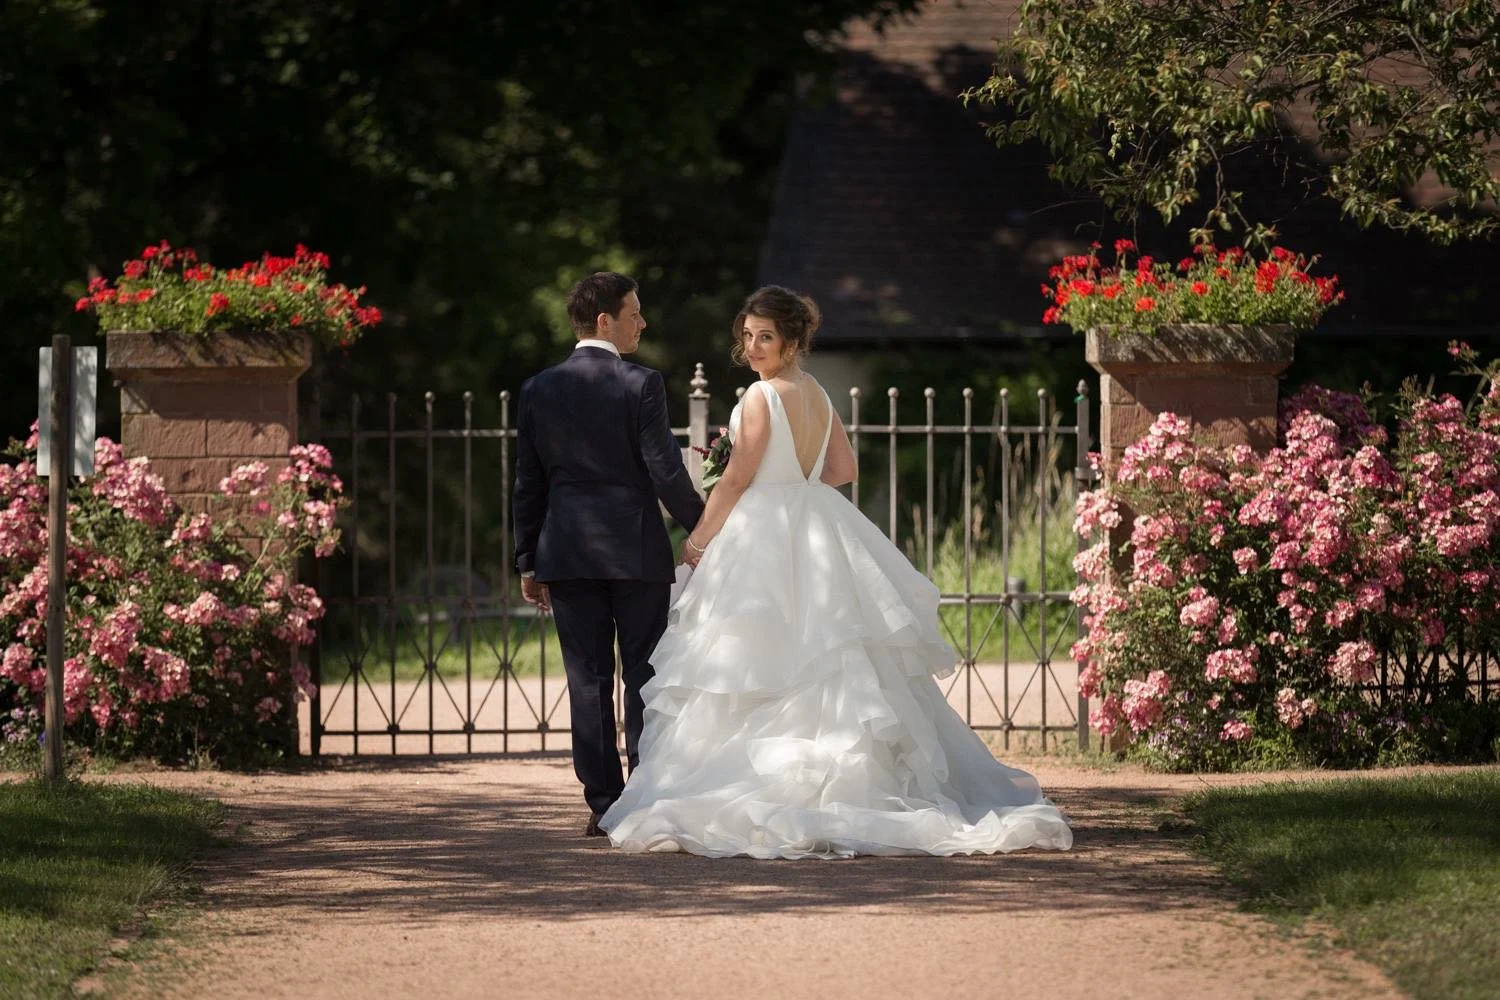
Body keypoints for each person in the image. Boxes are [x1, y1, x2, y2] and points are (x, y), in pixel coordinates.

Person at [599, 286, 1073, 858]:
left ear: (792, 340)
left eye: (765, 337)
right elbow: (842, 468)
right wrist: (798, 494)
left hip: (762, 530)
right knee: (832, 652)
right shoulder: (818, 393)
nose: (752, 348)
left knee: (755, 656)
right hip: (817, 519)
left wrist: (698, 542)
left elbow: (735, 479)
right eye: (746, 336)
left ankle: (765, 792)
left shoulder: (759, 397)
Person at [512, 272, 704, 837]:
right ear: (605, 321)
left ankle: (603, 804)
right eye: (635, 313)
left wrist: (527, 559)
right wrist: (706, 529)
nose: (642, 323)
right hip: (635, 551)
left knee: (587, 678)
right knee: (643, 673)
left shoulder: (537, 389)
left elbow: (528, 482)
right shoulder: (640, 383)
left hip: (567, 553)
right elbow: (665, 470)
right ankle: (642, 799)